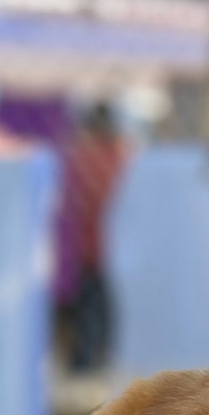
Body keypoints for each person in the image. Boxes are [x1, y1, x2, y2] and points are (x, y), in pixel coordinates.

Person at [54, 101, 128, 373]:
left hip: (84, 245)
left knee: (86, 306)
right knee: (98, 305)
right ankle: (94, 356)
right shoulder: (119, 157)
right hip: (101, 246)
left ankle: (85, 358)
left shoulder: (79, 157)